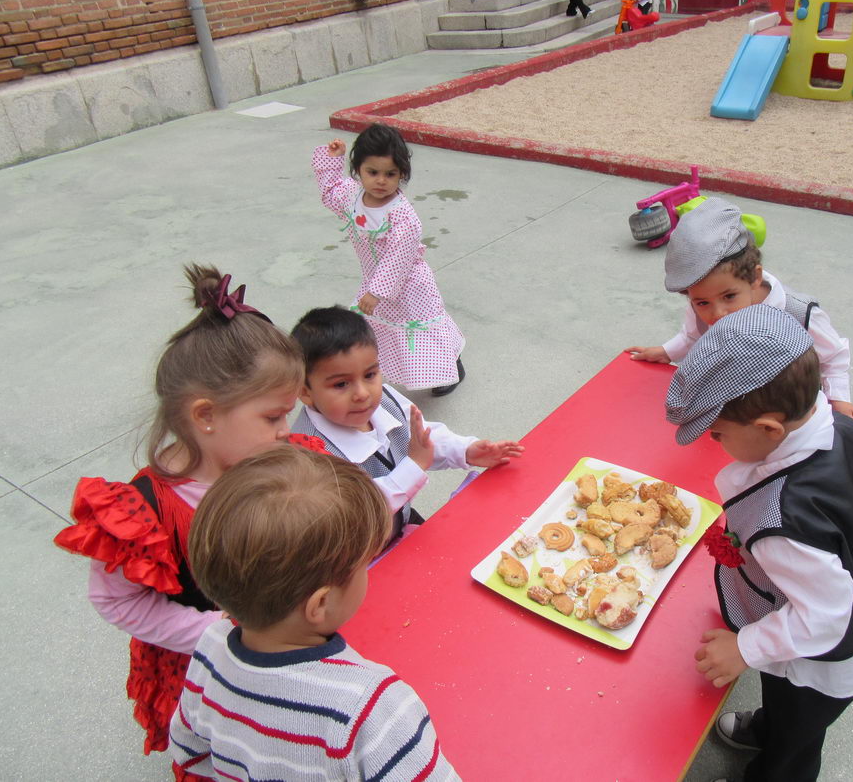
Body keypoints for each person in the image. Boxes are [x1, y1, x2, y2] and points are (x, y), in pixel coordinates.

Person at [53, 265, 318, 771]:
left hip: (283, 638)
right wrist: (214, 631)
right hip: (208, 663)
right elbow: (117, 602)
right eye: (272, 416)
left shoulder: (272, 458)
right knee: (227, 754)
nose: (287, 430)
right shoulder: (144, 512)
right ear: (206, 415)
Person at [664, 304, 853, 782]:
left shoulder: (787, 525)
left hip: (818, 664)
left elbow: (825, 618)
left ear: (768, 429)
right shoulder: (840, 427)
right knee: (782, 705)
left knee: (795, 745)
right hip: (806, 621)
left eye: (717, 433)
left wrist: (747, 646)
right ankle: (768, 725)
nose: (715, 442)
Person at [169, 445, 461, 780]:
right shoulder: (371, 706)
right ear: (319, 605)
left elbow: (189, 752)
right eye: (364, 565)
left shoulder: (211, 646)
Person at [627, 197, 853, 436]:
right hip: (734, 414)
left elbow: (833, 356)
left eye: (729, 296)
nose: (717, 313)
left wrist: (839, 400)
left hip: (786, 417)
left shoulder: (799, 313)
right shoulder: (700, 306)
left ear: (755, 277)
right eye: (702, 302)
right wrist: (667, 352)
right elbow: (693, 336)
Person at [290, 304, 523, 544]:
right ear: (305, 392)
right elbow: (354, 514)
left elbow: (420, 438)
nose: (362, 393)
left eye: (370, 375)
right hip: (359, 557)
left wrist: (466, 451)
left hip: (400, 521)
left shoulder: (384, 400)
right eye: (341, 384)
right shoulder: (309, 452)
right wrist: (414, 465)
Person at [312, 124, 466, 396]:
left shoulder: (402, 216)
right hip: (375, 282)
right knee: (380, 326)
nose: (381, 181)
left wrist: (376, 291)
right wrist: (332, 159)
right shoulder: (353, 196)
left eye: (390, 174)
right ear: (358, 170)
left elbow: (399, 257)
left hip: (409, 286)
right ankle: (388, 367)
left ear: (402, 175)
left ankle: (450, 367)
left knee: (420, 328)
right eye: (372, 172)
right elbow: (330, 191)